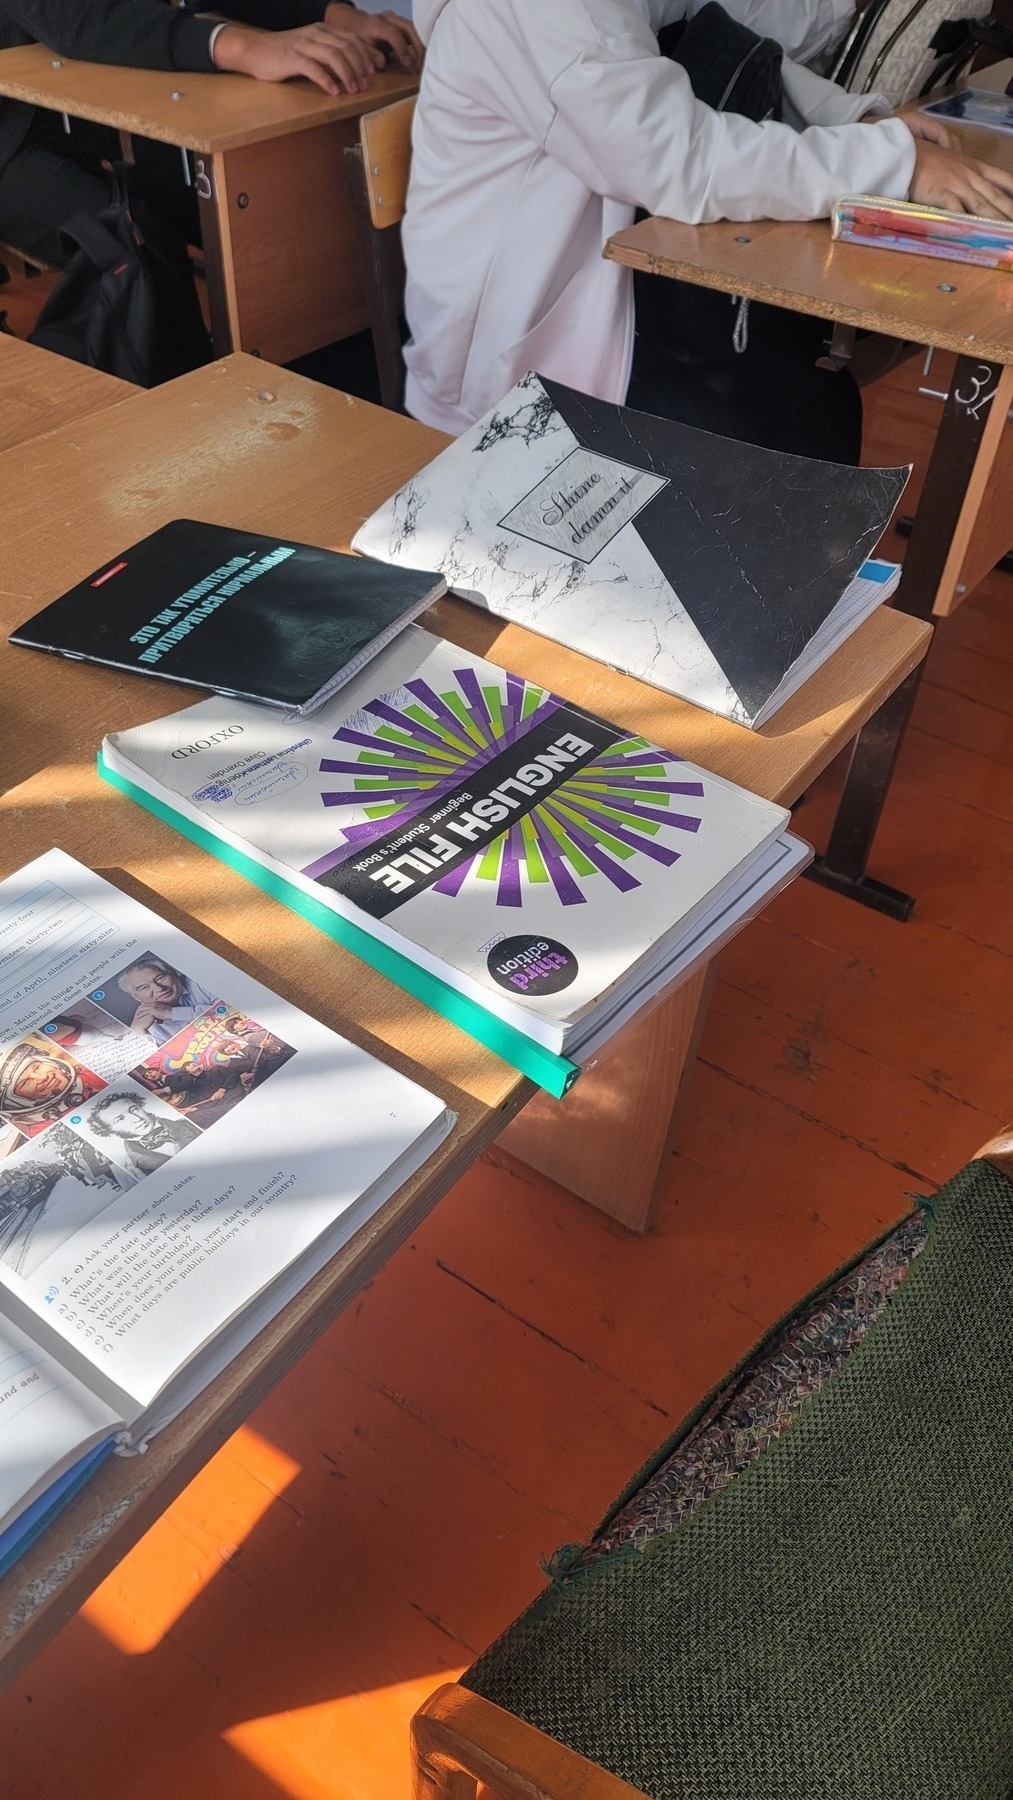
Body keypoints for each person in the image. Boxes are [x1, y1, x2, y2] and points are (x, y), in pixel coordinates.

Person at [401, 0, 1013, 455]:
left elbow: (718, 41)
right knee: (772, 457)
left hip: (628, 314)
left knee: (819, 411)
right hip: (519, 378)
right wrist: (888, 163)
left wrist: (864, 123)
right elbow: (682, 160)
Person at [0, 0, 422, 268]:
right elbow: (77, 18)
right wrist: (245, 49)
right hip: (10, 137)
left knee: (240, 224)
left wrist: (336, 16)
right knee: (135, 249)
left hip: (91, 109)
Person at [86, 1092, 200, 1175]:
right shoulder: (127, 1168)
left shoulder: (189, 1122)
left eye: (134, 1109)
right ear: (109, 1130)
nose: (136, 1118)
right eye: (120, 1119)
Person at [114, 957, 218, 1047]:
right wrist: (138, 1031)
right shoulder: (144, 1022)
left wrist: (173, 1013)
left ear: (174, 974)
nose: (159, 988)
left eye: (159, 978)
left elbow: (231, 1008)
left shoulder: (199, 980)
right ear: (136, 997)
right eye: (144, 987)